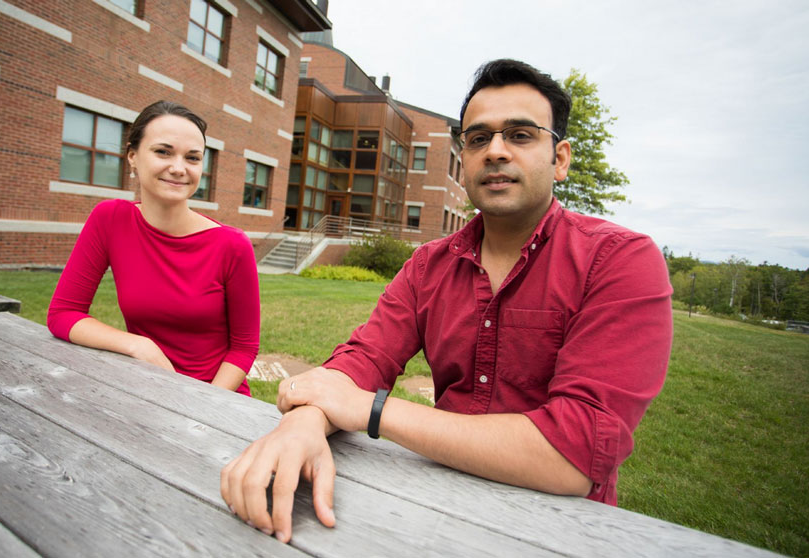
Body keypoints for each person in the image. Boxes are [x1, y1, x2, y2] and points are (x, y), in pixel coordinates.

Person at [220, 59, 673, 542]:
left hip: (560, 531)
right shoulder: (428, 265)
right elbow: (367, 356)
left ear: (559, 158)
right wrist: (307, 421)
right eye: (478, 139)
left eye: (520, 135)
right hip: (435, 507)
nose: (495, 151)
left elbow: (573, 454)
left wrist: (370, 411)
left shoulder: (620, 260)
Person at [48, 100, 259, 395]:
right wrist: (138, 344)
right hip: (145, 391)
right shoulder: (110, 219)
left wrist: (205, 402)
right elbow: (63, 313)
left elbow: (244, 347)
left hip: (216, 397)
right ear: (133, 156)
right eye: (163, 152)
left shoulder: (232, 245)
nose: (178, 168)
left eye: (193, 158)